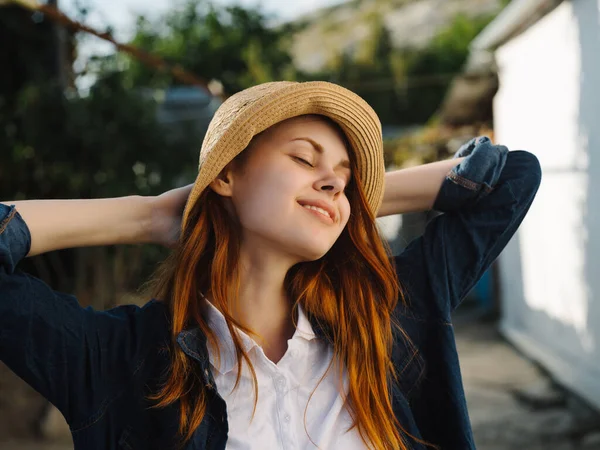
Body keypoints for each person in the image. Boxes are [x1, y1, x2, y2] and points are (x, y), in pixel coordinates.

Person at [0, 81, 541, 450]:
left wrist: (345, 202)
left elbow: (510, 177)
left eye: (345, 177)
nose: (333, 181)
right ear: (226, 177)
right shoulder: (120, 360)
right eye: (304, 159)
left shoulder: (387, 318)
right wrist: (153, 214)